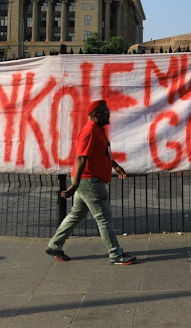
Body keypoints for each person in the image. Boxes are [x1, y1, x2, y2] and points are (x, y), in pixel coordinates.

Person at [45, 99, 136, 265]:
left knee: (76, 214)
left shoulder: (99, 130)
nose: (109, 116)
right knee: (104, 219)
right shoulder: (89, 132)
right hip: (89, 182)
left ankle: (54, 246)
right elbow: (81, 159)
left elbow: (103, 152)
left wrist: (115, 166)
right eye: (106, 113)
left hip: (88, 180)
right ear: (95, 115)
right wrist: (75, 184)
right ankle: (116, 255)